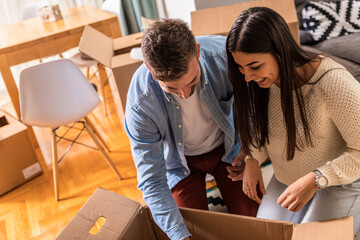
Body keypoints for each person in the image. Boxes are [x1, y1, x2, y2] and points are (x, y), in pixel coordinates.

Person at [226, 6, 360, 236]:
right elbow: (264, 128)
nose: (247, 77)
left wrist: (317, 179)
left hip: (343, 180)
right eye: (241, 68)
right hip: (290, 176)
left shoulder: (332, 82)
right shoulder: (265, 82)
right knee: (263, 235)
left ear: (280, 51)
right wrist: (252, 158)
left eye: (254, 66)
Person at [124, 19, 259, 240]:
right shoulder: (140, 104)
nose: (185, 94)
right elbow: (151, 179)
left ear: (196, 51)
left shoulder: (226, 58)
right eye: (171, 88)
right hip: (180, 163)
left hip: (230, 150)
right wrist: (179, 235)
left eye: (192, 81)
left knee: (253, 224)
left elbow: (257, 108)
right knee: (189, 230)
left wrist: (253, 154)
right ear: (149, 68)